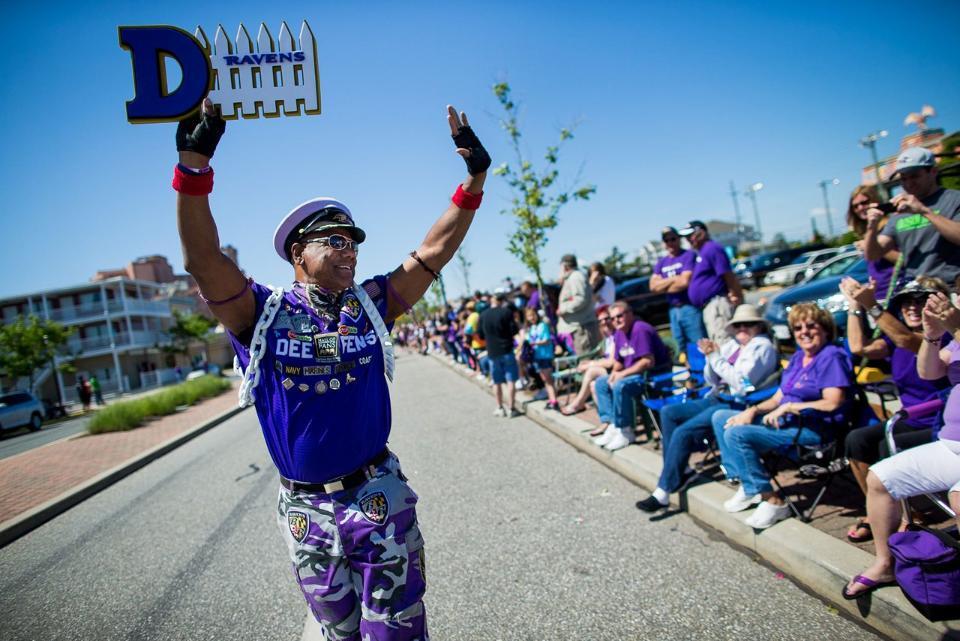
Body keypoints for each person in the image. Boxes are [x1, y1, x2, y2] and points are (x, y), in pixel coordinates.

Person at [173, 99, 490, 639]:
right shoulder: (261, 312)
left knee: (395, 631)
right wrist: (194, 169)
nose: (350, 253)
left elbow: (433, 253)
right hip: (306, 513)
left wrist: (474, 181)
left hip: (377, 498)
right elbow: (203, 260)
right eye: (336, 242)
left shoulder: (372, 302)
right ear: (299, 252)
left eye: (354, 244)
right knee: (336, 634)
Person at [842, 292, 960, 599]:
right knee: (880, 477)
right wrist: (933, 336)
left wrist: (953, 323)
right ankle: (885, 563)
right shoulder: (953, 340)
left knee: (958, 497)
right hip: (949, 446)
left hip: (940, 436)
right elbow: (929, 372)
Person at [711, 303, 853, 529]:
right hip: (785, 422)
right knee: (721, 417)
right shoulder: (799, 358)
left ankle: (773, 500)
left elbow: (833, 402)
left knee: (737, 435)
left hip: (814, 430)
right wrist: (753, 410)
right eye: (797, 328)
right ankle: (750, 487)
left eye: (810, 326)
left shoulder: (831, 357)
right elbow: (778, 397)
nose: (803, 332)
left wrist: (792, 408)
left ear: (825, 328)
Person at [636, 304, 779, 512]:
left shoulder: (761, 347)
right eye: (738, 325)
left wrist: (715, 358)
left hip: (737, 404)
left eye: (748, 324)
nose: (742, 329)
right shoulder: (733, 346)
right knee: (669, 412)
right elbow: (711, 379)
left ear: (759, 327)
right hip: (717, 397)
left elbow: (742, 383)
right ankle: (680, 469)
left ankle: (663, 491)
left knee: (683, 432)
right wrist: (711, 358)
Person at [865, 146, 960, 285]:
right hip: (915, 293)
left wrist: (924, 211)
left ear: (933, 171)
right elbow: (873, 254)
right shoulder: (899, 211)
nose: (909, 183)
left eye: (914, 176)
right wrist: (872, 228)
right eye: (903, 179)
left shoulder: (954, 199)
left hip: (951, 287)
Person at [592, 301, 673, 451]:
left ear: (630, 314)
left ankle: (625, 431)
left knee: (620, 385)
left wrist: (621, 375)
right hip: (632, 373)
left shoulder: (640, 330)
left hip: (652, 375)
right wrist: (615, 373)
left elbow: (647, 361)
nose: (616, 320)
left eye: (620, 316)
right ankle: (612, 424)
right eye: (613, 318)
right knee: (601, 383)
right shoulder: (619, 333)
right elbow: (619, 361)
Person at [678, 221, 743, 345]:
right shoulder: (702, 252)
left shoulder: (712, 248)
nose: (688, 240)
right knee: (718, 341)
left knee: (724, 342)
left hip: (717, 305)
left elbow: (727, 274)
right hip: (710, 306)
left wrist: (735, 295)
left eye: (690, 235)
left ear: (701, 233)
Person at [650, 226, 705, 363]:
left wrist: (663, 284)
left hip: (690, 307)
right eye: (666, 240)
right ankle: (691, 376)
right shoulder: (661, 262)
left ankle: (706, 374)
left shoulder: (688, 255)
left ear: (678, 239)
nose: (670, 242)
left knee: (698, 343)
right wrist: (674, 279)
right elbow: (653, 287)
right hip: (673, 309)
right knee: (680, 347)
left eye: (673, 238)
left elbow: (684, 282)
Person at [561, 305, 617, 422]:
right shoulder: (608, 337)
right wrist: (591, 362)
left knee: (591, 371)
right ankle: (607, 421)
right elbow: (604, 358)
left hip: (617, 370)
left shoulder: (617, 335)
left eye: (606, 319)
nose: (604, 322)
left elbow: (610, 363)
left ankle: (578, 403)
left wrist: (590, 364)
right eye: (600, 320)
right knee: (593, 385)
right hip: (610, 370)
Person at [846, 185, 900, 302]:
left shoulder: (889, 225)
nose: (860, 208)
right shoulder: (868, 231)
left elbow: (902, 259)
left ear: (875, 201)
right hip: (878, 293)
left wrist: (869, 246)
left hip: (896, 291)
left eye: (864, 203)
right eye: (855, 206)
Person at [478, 293, 522, 417]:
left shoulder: (483, 315)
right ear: (501, 301)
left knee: (496, 381)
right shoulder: (506, 312)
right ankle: (511, 408)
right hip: (507, 350)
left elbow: (480, 335)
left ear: (492, 300)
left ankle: (499, 407)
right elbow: (514, 331)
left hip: (492, 352)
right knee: (510, 380)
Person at [557, 254, 602, 355]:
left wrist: (563, 309)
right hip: (580, 328)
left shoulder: (576, 277)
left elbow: (581, 299)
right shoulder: (574, 277)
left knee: (586, 361)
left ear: (565, 266)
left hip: (583, 329)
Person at [523, 307, 560, 410]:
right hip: (537, 356)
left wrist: (534, 343)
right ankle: (551, 399)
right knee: (545, 379)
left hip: (545, 356)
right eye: (529, 316)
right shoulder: (531, 328)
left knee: (548, 379)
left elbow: (547, 340)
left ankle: (554, 400)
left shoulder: (542, 325)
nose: (532, 318)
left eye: (533, 315)